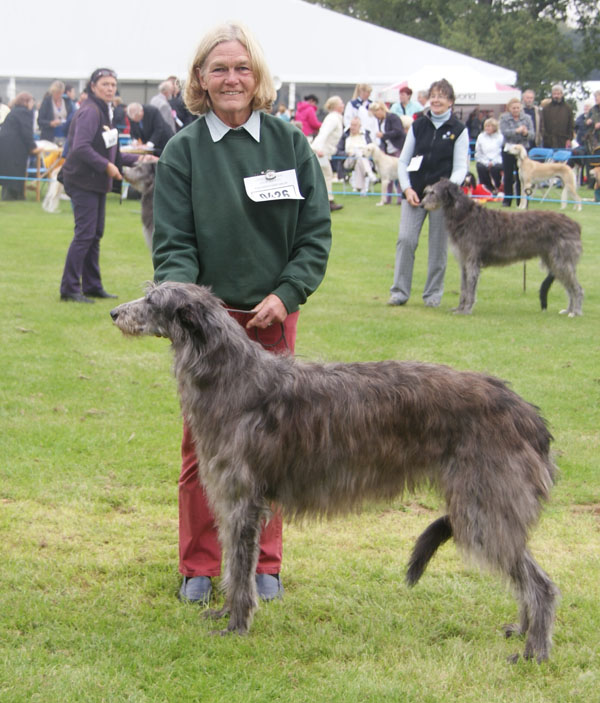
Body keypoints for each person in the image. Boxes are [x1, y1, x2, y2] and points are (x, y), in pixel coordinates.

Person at [151, 22, 331, 605]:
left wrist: (287, 292)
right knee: (204, 448)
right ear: (200, 78)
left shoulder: (288, 143)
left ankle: (263, 567)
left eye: (242, 68)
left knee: (276, 446)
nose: (232, 79)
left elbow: (314, 234)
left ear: (257, 78)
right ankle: (199, 566)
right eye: (219, 68)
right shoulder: (184, 150)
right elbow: (173, 244)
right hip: (207, 325)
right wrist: (204, 311)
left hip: (273, 317)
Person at [59, 68, 139, 303]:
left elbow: (112, 151)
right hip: (82, 181)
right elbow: (80, 147)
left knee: (95, 234)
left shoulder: (106, 111)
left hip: (96, 183)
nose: (110, 88)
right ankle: (69, 288)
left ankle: (92, 285)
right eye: (105, 84)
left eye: (113, 85)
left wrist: (142, 159)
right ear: (93, 87)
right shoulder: (90, 112)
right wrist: (107, 167)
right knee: (85, 234)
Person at [388, 79, 468, 308]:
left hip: (443, 200)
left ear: (451, 101)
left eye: (442, 96)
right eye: (433, 95)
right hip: (415, 194)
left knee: (438, 247)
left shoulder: (459, 130)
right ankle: (399, 292)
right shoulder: (418, 125)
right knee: (406, 240)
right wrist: (407, 188)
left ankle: (432, 296)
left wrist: (445, 190)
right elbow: (403, 161)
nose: (436, 99)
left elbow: (461, 167)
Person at [0, 92, 40, 201]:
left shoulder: (15, 111)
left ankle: (13, 195)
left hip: (6, 144)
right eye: (31, 102)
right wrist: (32, 147)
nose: (33, 104)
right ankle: (15, 196)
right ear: (26, 102)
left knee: (9, 170)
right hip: (14, 145)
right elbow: (26, 132)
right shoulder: (24, 112)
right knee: (16, 169)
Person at [311, 95, 345, 211]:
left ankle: (326, 201)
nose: (343, 105)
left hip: (324, 151)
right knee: (327, 175)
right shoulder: (333, 118)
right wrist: (318, 149)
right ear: (335, 106)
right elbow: (324, 133)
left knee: (325, 175)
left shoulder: (335, 118)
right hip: (321, 152)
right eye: (341, 103)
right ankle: (328, 201)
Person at [369, 100, 405, 203]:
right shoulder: (381, 120)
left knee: (400, 174)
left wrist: (384, 135)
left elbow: (398, 131)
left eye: (376, 112)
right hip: (388, 150)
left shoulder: (393, 118)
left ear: (381, 109)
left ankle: (400, 199)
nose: (376, 115)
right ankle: (387, 199)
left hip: (398, 147)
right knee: (387, 176)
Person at [499, 97, 533, 207]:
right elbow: (504, 132)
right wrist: (516, 131)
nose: (516, 110)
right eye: (513, 108)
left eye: (518, 107)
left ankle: (521, 200)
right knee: (508, 175)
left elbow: (532, 135)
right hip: (509, 149)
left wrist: (525, 133)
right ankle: (507, 200)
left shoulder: (527, 118)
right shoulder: (504, 118)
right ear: (509, 108)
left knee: (522, 176)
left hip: (523, 150)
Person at [343, 116, 375, 195]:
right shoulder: (345, 136)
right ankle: (370, 174)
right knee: (357, 153)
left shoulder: (365, 136)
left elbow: (371, 147)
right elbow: (338, 150)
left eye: (355, 125)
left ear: (359, 126)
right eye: (351, 125)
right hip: (348, 160)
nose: (352, 127)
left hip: (363, 159)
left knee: (359, 161)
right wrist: (347, 153)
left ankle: (361, 189)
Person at [474, 117, 504, 194]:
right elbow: (478, 152)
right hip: (484, 159)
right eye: (486, 126)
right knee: (480, 167)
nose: (487, 128)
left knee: (496, 168)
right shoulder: (481, 137)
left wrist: (493, 162)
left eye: (489, 126)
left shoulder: (500, 137)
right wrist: (486, 162)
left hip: (497, 160)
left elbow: (501, 152)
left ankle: (498, 187)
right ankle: (487, 188)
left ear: (494, 127)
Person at [541, 84, 574, 149]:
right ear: (552, 95)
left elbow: (571, 125)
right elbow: (542, 124)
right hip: (548, 142)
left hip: (562, 141)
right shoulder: (546, 109)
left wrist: (569, 139)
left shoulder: (568, 108)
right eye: (554, 94)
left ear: (562, 94)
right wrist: (545, 136)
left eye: (558, 94)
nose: (556, 96)